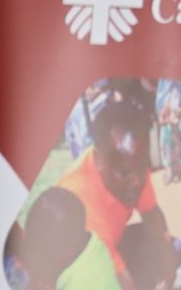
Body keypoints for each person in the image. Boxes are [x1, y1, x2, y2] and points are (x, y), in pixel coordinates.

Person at [55, 95, 159, 260]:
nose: (137, 181)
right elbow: (109, 267)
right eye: (124, 173)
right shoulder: (80, 197)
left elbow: (152, 215)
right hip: (86, 264)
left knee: (170, 247)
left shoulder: (133, 164)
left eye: (142, 167)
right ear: (99, 160)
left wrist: (166, 266)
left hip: (110, 243)